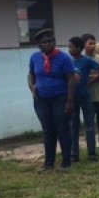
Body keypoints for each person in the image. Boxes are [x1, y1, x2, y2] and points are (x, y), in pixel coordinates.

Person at [27, 29, 75, 172]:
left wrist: (70, 101)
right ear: (39, 45)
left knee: (62, 129)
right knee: (48, 131)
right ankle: (49, 163)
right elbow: (31, 74)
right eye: (44, 42)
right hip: (41, 100)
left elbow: (71, 79)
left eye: (50, 41)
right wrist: (32, 87)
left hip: (60, 98)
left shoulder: (64, 58)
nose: (48, 44)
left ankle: (66, 162)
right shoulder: (35, 57)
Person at [67, 36, 99, 163]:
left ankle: (92, 153)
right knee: (74, 125)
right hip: (72, 97)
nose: (69, 49)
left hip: (85, 96)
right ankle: (74, 153)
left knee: (89, 124)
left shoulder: (87, 61)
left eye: (71, 47)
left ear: (78, 48)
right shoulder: (67, 61)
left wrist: (92, 81)